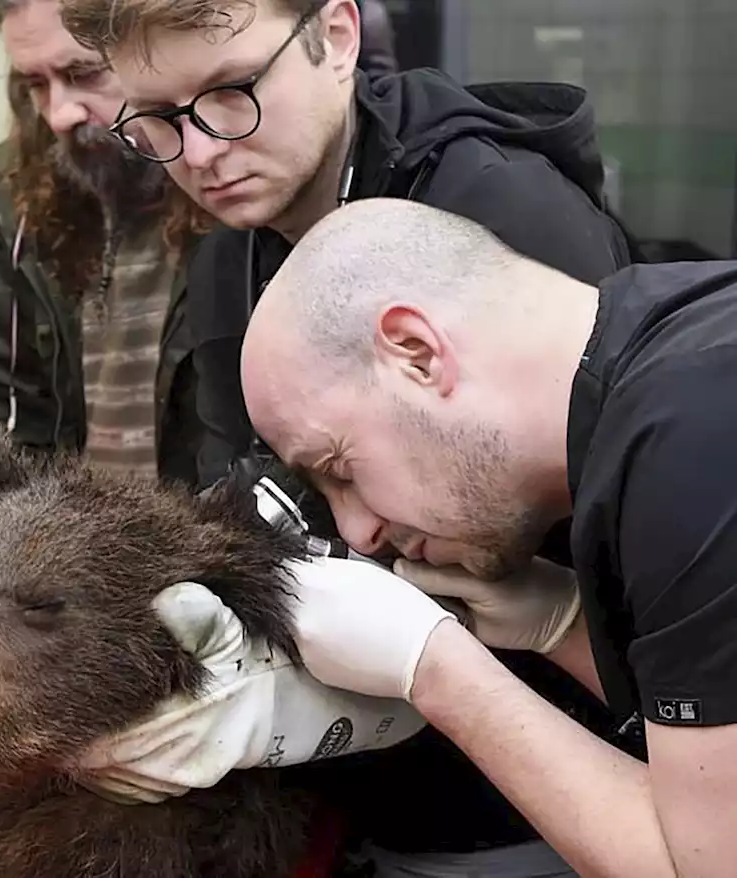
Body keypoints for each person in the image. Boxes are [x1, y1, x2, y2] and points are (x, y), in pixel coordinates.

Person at [57, 0, 640, 873]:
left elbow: (631, 555)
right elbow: (258, 505)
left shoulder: (502, 213)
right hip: (372, 789)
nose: (204, 152)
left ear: (335, 35)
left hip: (566, 788)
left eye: (230, 92)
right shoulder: (230, 254)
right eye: (159, 121)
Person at [110, 195, 737, 878]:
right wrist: (564, 625)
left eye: (340, 469)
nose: (360, 529)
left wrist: (435, 669)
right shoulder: (680, 339)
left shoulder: (688, 448)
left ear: (415, 351)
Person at [0, 0, 217, 484]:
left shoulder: (225, 175)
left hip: (209, 536)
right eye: (36, 84)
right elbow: (2, 414)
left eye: (84, 72)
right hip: (67, 541)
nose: (59, 114)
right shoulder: (7, 192)